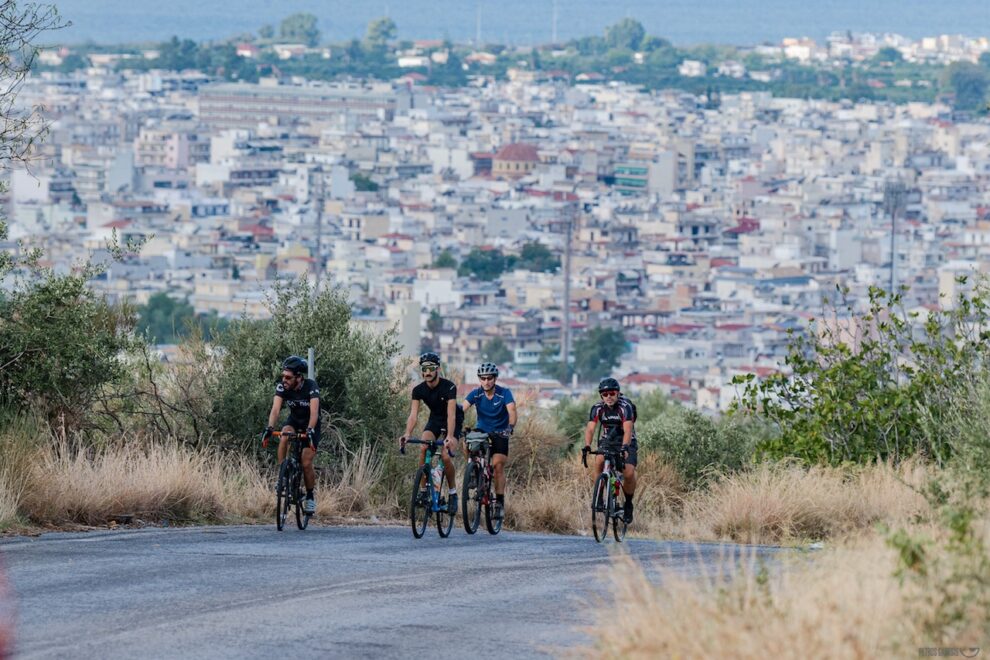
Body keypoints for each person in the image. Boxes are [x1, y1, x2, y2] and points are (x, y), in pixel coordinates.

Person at [400, 352, 462, 512]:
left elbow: (451, 414)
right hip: (435, 420)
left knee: (446, 456)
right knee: (423, 447)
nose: (427, 372)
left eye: (431, 368)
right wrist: (407, 433)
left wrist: (449, 436)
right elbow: (413, 415)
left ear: (438, 369)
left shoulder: (449, 387)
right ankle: (423, 492)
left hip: (453, 419)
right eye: (424, 368)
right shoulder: (418, 390)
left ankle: (453, 494)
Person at [263, 355, 321, 514]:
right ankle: (283, 476)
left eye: (288, 377)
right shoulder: (282, 387)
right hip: (294, 421)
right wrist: (269, 428)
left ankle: (310, 497)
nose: (284, 380)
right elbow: (275, 410)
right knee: (284, 434)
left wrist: (310, 430)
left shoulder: (311, 386)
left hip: (311, 424)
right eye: (283, 376)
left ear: (299, 378)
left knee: (306, 462)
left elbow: (314, 413)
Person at [461, 362, 516, 521]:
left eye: (489, 378)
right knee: (466, 442)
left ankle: (499, 502)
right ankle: (472, 472)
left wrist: (510, 427)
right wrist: (455, 423)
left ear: (495, 378)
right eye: (483, 378)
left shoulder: (504, 393)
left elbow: (512, 411)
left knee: (498, 465)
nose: (486, 382)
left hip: (500, 432)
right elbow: (462, 408)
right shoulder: (476, 393)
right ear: (479, 379)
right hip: (482, 430)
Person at [583, 377, 638, 523]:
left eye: (612, 393)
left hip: (626, 440)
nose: (609, 397)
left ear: (618, 393)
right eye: (605, 394)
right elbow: (590, 428)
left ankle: (628, 504)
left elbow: (627, 430)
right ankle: (599, 496)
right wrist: (587, 445)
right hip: (608, 439)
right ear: (601, 395)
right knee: (599, 461)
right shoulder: (597, 408)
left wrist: (625, 447)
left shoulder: (624, 406)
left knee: (628, 472)